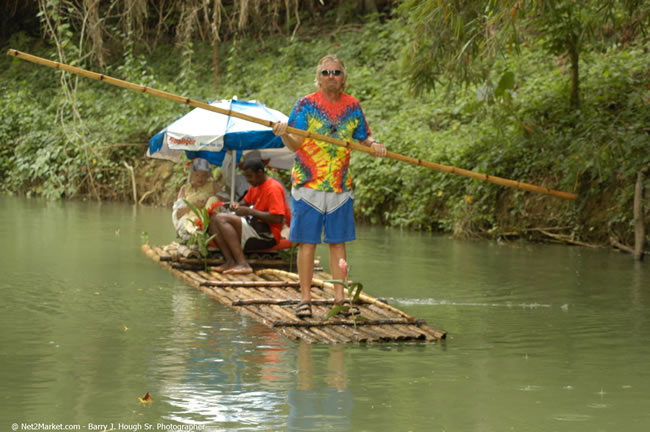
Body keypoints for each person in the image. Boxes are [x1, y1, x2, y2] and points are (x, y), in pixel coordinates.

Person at [272, 54, 387, 318]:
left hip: (339, 186)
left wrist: (374, 145)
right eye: (326, 73)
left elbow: (364, 138)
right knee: (307, 243)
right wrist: (284, 133)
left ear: (343, 77)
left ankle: (340, 298)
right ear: (318, 78)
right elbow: (295, 145)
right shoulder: (306, 106)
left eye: (336, 72)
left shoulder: (352, 106)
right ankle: (305, 299)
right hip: (308, 185)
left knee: (338, 243)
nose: (331, 76)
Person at [209, 157, 291, 274]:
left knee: (221, 218)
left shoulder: (273, 188)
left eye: (250, 176)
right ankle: (230, 262)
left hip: (267, 235)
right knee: (213, 218)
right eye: (246, 176)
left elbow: (278, 218)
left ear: (260, 173)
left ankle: (243, 264)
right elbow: (245, 202)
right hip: (253, 226)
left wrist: (250, 211)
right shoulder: (256, 184)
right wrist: (237, 205)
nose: (248, 180)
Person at [172, 158, 223, 242]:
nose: (200, 178)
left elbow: (222, 203)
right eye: (197, 175)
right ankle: (196, 230)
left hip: (209, 218)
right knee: (189, 223)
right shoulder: (185, 188)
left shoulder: (213, 185)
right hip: (190, 219)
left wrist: (208, 200)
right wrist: (193, 205)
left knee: (214, 199)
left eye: (203, 175)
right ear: (192, 175)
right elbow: (178, 214)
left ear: (207, 176)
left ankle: (205, 227)